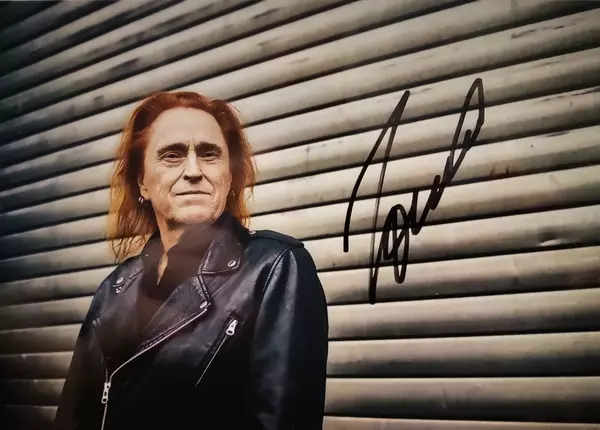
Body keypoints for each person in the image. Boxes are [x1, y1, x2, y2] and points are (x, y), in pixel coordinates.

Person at [53, 91, 329, 430]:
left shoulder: (275, 269)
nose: (194, 171)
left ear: (229, 176)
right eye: (172, 155)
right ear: (142, 182)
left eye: (210, 154)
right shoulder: (113, 291)